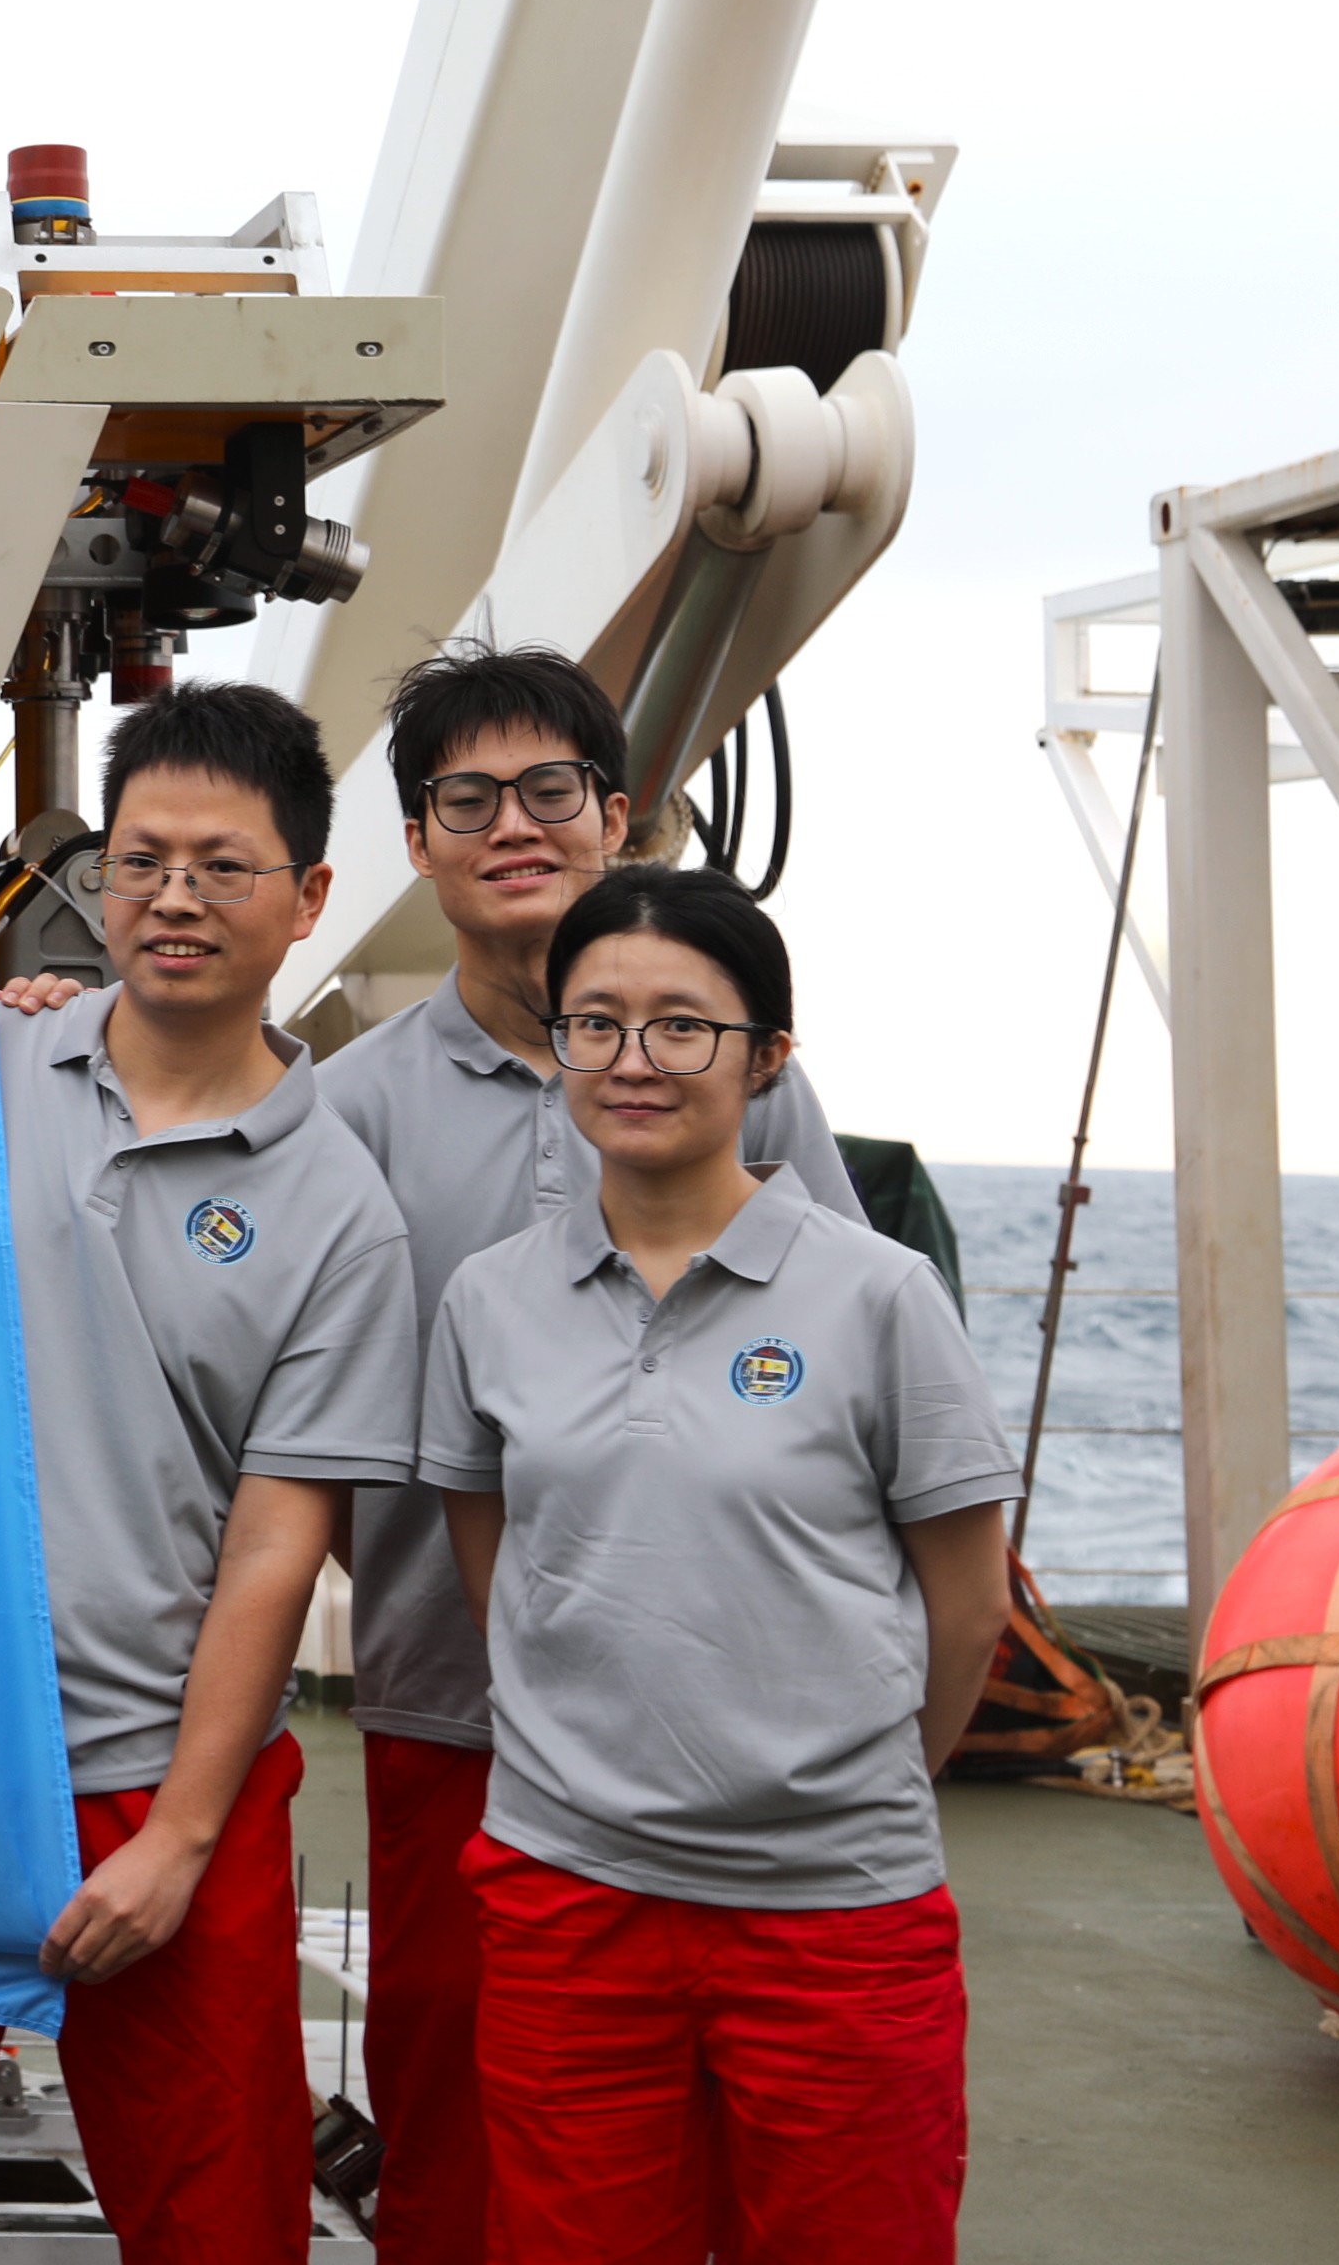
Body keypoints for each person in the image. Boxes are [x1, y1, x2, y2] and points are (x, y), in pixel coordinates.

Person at [0, 680, 416, 2265]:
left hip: (158, 1772)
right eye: (139, 860)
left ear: (310, 894)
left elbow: (275, 1551)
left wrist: (180, 1838)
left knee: (219, 2220)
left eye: (223, 866)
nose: (173, 897)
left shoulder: (342, 1212)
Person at [313, 644, 868, 2263]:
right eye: (466, 797)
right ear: (415, 843)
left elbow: (852, 1359)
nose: (512, 824)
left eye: (549, 788)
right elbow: (305, 1421)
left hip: (729, 1717)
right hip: (456, 1710)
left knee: (708, 2134)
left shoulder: (741, 1079)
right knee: (450, 2113)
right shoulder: (346, 1113)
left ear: (616, 818)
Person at [423, 865, 1013, 2263]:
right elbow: (500, 1565)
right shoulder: (490, 1299)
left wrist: (834, 1786)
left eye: (683, 1025)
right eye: (596, 1022)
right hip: (570, 1898)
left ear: (768, 1057)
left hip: (835, 1916)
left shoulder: (880, 1295)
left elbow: (970, 1602)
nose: (634, 1060)